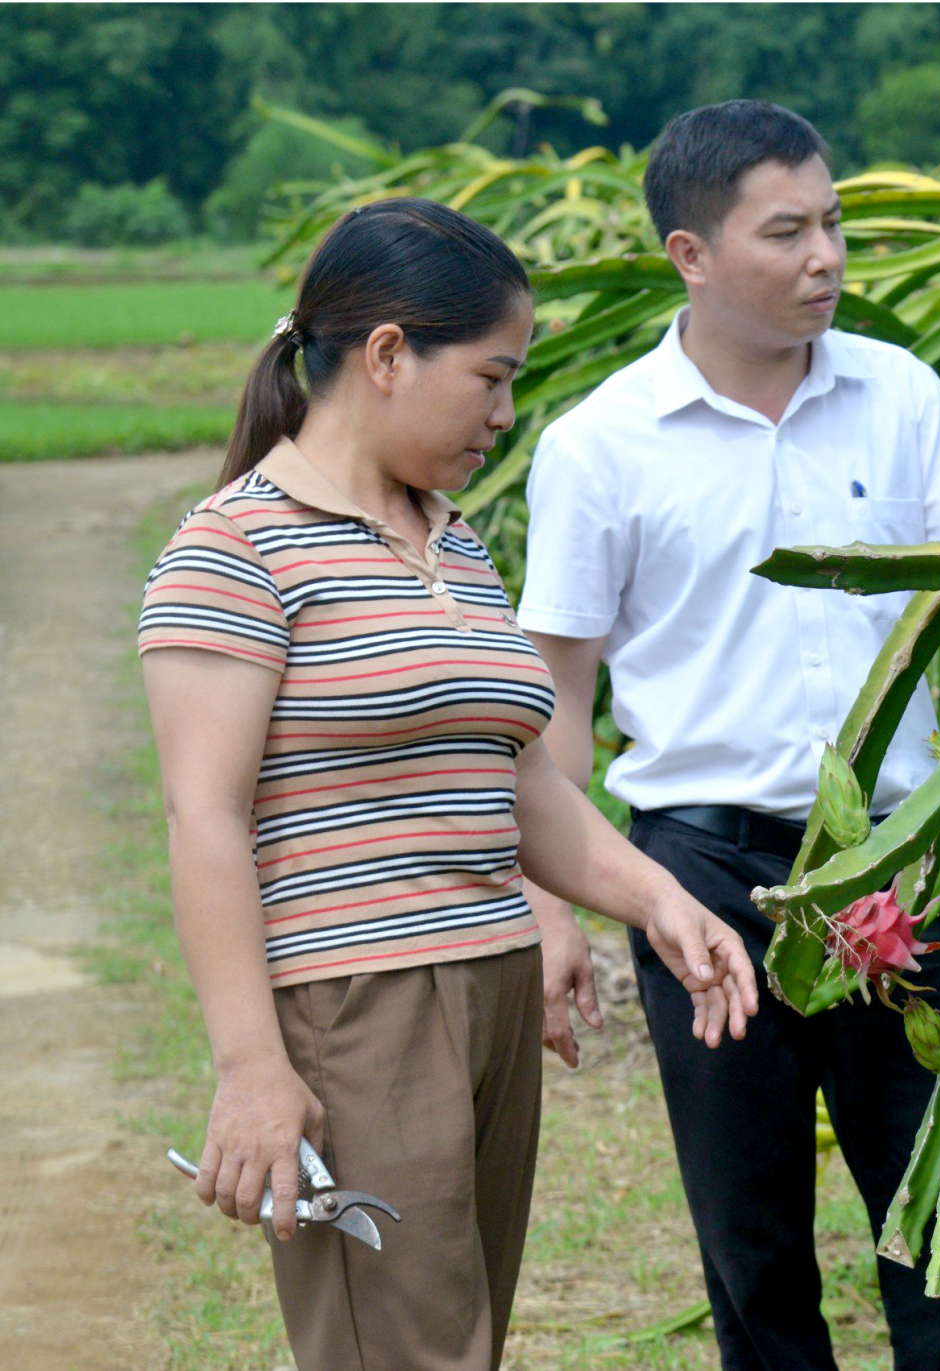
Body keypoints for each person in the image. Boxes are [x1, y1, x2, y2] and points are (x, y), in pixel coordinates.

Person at [137, 197, 759, 1371]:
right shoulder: (235, 550)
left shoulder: (453, 543)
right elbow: (203, 820)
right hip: (356, 1006)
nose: (506, 413)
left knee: (460, 1340)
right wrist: (253, 1070)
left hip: (490, 985)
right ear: (385, 356)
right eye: (490, 377)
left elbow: (516, 778)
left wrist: (659, 903)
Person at [517, 100, 940, 1370]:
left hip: (904, 868)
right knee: (751, 1240)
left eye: (835, 224)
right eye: (788, 231)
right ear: (691, 256)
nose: (828, 259)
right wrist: (552, 909)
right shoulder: (598, 448)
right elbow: (556, 704)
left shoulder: (899, 394)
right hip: (703, 875)